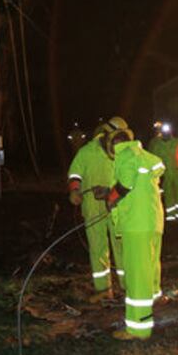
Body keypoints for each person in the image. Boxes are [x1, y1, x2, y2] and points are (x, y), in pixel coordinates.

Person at [105, 129, 166, 341]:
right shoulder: (147, 156)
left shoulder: (125, 155)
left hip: (135, 224)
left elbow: (126, 182)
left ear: (115, 145)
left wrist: (111, 198)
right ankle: (153, 301)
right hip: (153, 221)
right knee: (150, 266)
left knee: (137, 274)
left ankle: (138, 328)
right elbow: (157, 168)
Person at [67, 116, 131, 303]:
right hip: (93, 208)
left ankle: (129, 287)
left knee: (122, 248)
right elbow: (75, 173)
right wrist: (74, 190)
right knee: (97, 248)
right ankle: (104, 289)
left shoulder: (123, 152)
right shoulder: (87, 152)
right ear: (106, 133)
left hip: (117, 207)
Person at [148, 121, 178, 221]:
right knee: (168, 194)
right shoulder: (156, 144)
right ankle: (171, 216)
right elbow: (151, 158)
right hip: (164, 174)